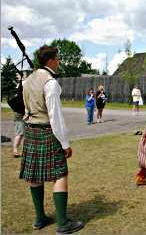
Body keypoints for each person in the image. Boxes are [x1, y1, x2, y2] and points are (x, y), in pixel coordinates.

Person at [20, 45, 84, 233]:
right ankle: (63, 223)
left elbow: (23, 107)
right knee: (60, 174)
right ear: (50, 60)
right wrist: (65, 144)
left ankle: (40, 218)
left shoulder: (28, 80)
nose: (59, 62)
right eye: (58, 58)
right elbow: (55, 116)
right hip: (47, 131)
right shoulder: (50, 82)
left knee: (34, 175)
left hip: (30, 131)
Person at [12, 73, 25, 158]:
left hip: (20, 115)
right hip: (20, 115)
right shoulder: (21, 89)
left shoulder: (20, 88)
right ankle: (15, 150)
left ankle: (17, 150)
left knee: (21, 134)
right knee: (20, 134)